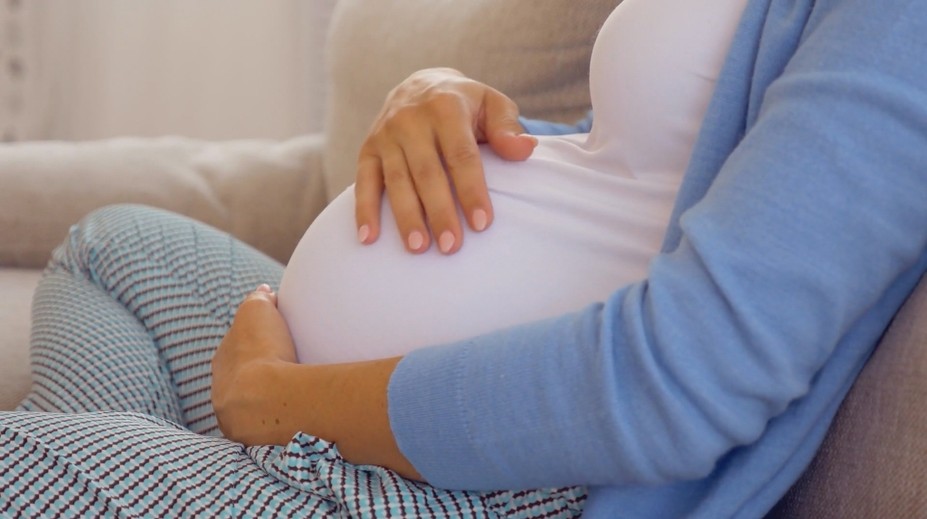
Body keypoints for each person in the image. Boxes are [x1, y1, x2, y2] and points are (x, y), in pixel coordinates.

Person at [1, 0, 926, 518]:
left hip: (508, 479)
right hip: (351, 420)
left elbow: (680, 383)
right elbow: (660, 172)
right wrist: (448, 105)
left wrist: (278, 406)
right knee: (109, 246)